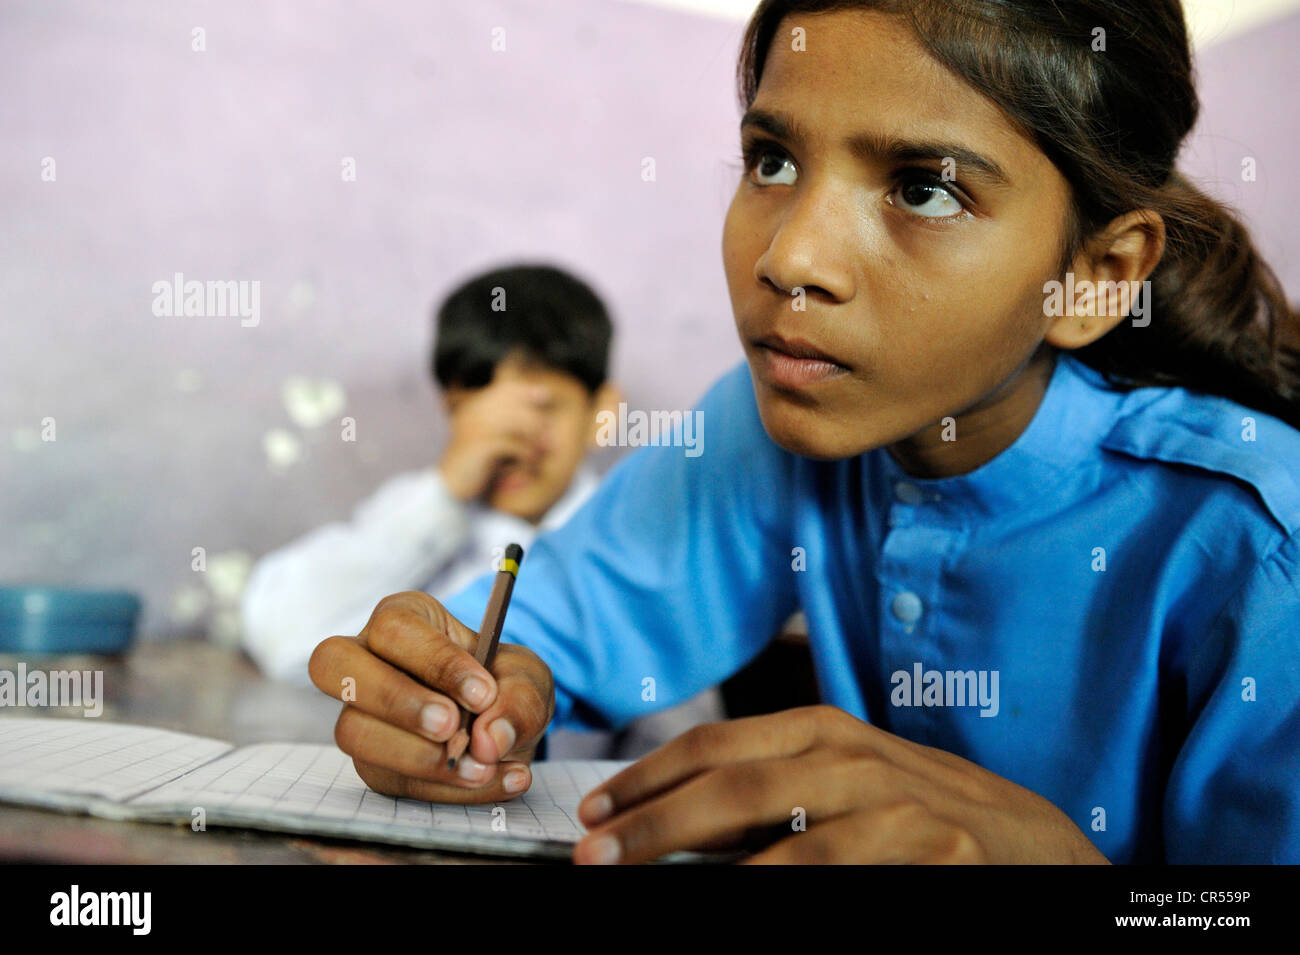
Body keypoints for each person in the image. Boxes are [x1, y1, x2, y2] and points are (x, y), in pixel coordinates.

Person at [307, 0, 1300, 864]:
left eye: (923, 187)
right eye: (771, 160)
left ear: (1096, 275)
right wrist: (464, 693)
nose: (790, 256)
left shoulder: (1258, 543)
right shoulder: (770, 420)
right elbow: (541, 632)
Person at [242, 263, 725, 752]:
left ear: (602, 415)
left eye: (540, 409)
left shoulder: (634, 545)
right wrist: (447, 487)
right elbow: (283, 635)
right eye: (480, 414)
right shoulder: (417, 516)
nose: (507, 442)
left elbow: (677, 737)